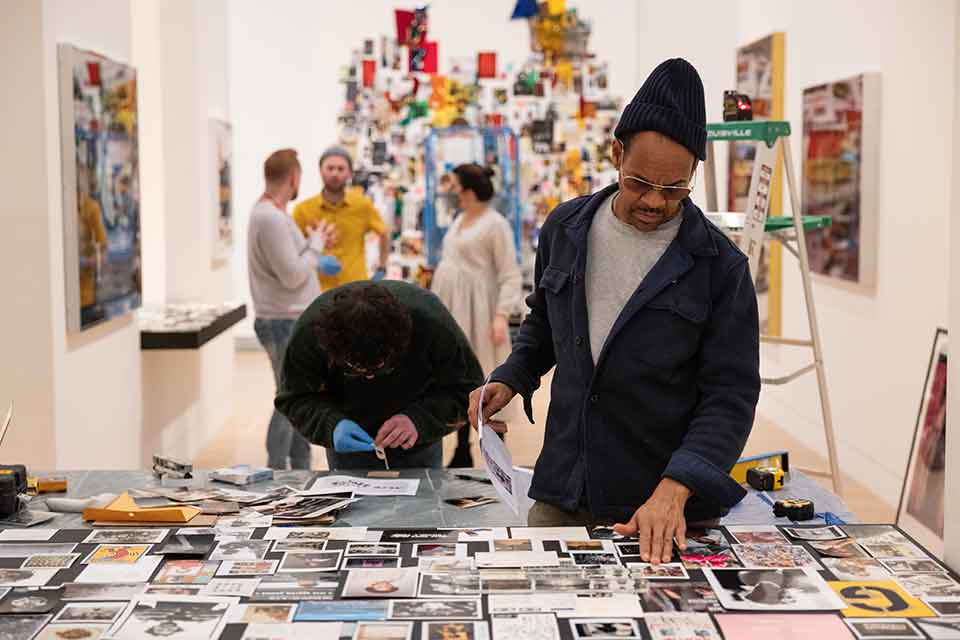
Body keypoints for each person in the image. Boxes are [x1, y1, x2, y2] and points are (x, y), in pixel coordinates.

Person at [469, 58, 761, 563]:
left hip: (663, 504)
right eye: (640, 183)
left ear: (694, 171)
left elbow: (730, 397)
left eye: (675, 190)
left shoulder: (721, 267)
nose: (654, 202)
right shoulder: (566, 228)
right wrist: (512, 374)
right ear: (616, 153)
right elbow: (544, 322)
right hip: (564, 486)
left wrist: (677, 486)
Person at [275, 281, 484, 470]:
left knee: (422, 509)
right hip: (348, 444)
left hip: (418, 441)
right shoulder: (310, 334)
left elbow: (469, 390)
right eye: (354, 368)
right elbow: (293, 398)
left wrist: (419, 420)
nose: (369, 378)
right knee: (355, 511)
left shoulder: (431, 323)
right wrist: (331, 425)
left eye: (380, 367)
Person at [247, 148, 342, 470]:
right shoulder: (270, 217)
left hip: (291, 319)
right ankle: (276, 470)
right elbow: (291, 275)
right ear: (294, 178)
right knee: (290, 399)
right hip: (282, 321)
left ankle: (300, 467)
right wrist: (315, 248)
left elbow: (292, 262)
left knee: (301, 397)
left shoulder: (274, 214)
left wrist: (313, 241)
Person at [431, 163, 522, 468]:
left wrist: (501, 314)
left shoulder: (496, 224)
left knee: (486, 378)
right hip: (454, 309)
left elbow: (510, 273)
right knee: (457, 376)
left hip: (479, 311)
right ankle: (460, 450)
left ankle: (496, 456)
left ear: (467, 189)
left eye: (454, 185)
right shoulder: (459, 220)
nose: (450, 191)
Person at [293, 147, 390, 289]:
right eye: (330, 168)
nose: (335, 173)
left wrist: (382, 268)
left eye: (340, 168)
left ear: (350, 173)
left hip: (355, 289)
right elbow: (293, 249)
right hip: (317, 291)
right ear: (320, 171)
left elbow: (384, 233)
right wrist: (315, 260)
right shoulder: (303, 210)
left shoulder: (362, 205)